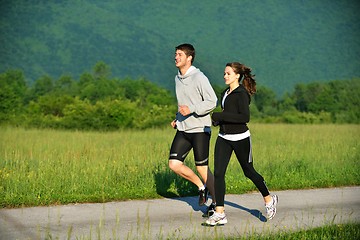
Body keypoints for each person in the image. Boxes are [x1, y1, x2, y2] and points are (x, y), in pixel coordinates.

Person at [205, 62, 278, 226]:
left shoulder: (241, 93)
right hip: (224, 137)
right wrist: (218, 121)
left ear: (237, 75)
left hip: (240, 138)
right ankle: (220, 213)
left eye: (228, 73)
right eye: (224, 73)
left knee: (248, 171)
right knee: (218, 174)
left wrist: (220, 117)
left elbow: (244, 118)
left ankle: (269, 199)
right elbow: (226, 115)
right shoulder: (225, 92)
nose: (225, 76)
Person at [169, 43, 217, 213]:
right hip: (184, 128)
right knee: (174, 164)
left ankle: (218, 205)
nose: (176, 57)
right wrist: (178, 118)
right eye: (175, 54)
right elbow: (183, 103)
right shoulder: (177, 78)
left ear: (189, 58)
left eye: (180, 54)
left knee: (202, 168)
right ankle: (201, 187)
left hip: (200, 129)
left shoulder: (199, 77)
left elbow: (212, 101)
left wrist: (192, 109)